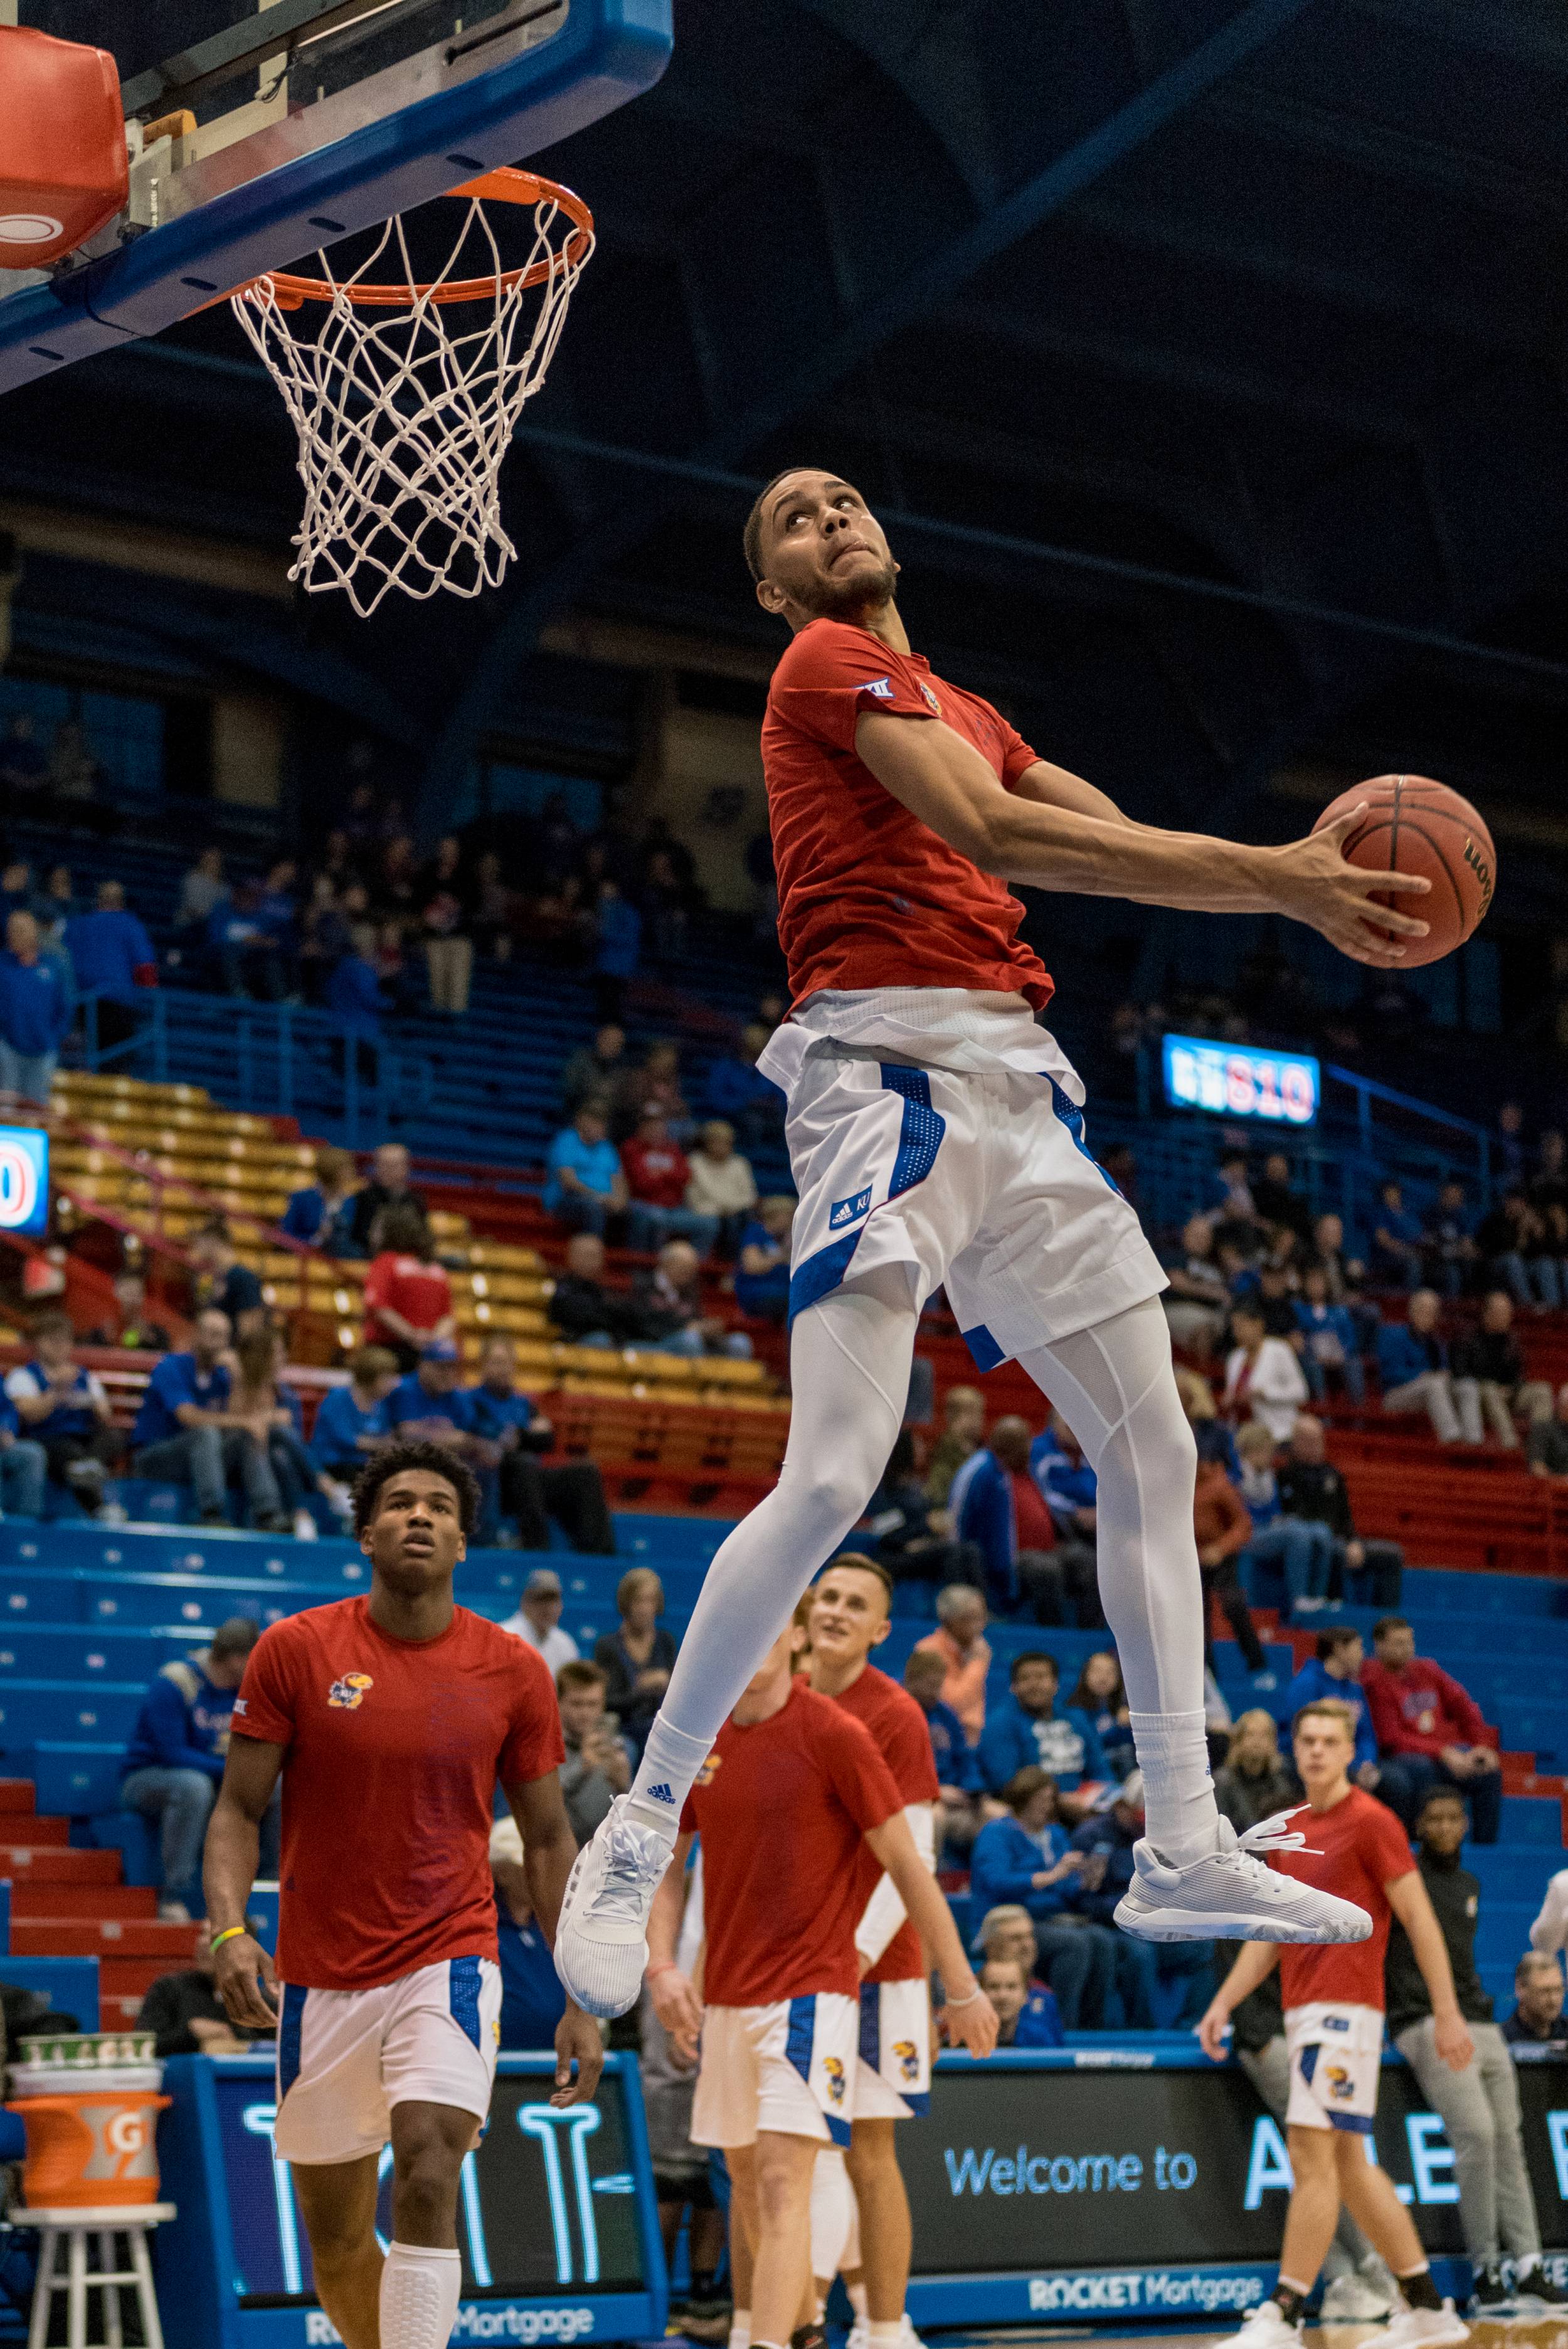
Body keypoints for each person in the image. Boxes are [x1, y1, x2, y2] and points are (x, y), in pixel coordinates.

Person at [553, 464, 1408, 2015]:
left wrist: (1289, 886)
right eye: (795, 518)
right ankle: (640, 1818)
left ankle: (1180, 1838)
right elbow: (1000, 832)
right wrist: (1280, 880)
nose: (831, 517)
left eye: (844, 500)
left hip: (1020, 1090)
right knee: (833, 1473)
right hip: (884, 1073)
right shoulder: (823, 664)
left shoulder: (972, 708)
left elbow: (1113, 832)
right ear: (773, 589)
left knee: (1156, 1451)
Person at [205, 1441, 602, 2349]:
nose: (418, 1514)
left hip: (449, 1957)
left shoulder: (513, 1669)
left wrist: (582, 1995)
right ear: (366, 1535)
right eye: (397, 1503)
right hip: (320, 1974)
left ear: (463, 1541)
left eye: (438, 1506)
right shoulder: (295, 1649)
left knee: (427, 2165)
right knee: (340, 2244)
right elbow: (235, 1810)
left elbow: (549, 1839)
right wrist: (229, 1929)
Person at [643, 1616, 995, 2349]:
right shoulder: (699, 1734)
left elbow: (908, 1864)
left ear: (796, 1638)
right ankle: (800, 2330)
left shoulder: (836, 1733)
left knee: (784, 2182)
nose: (751, 1637)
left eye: (769, 1624)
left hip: (812, 1992)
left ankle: (829, 2332)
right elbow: (668, 1866)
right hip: (725, 1996)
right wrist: (664, 1966)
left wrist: (960, 1985)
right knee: (746, 2184)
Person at [1200, 1699, 1474, 2349]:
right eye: (1308, 1740)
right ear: (1295, 1750)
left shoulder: (1372, 1821)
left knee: (1310, 2155)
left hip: (1345, 2012)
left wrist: (1447, 2011)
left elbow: (1420, 1919)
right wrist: (1223, 2002)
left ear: (1351, 1750)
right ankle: (1427, 2307)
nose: (1318, 1750)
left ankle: (1285, 2314)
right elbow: (1271, 1935)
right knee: (1348, 2165)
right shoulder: (1289, 1829)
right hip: (1303, 2012)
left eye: (1330, 1740)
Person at [800, 1557, 942, 2349]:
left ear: (880, 1629)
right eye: (827, 1596)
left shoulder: (894, 1714)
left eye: (855, 1604)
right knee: (805, 2152)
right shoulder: (780, 1696)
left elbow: (914, 1852)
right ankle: (822, 2322)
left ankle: (883, 2330)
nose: (835, 1611)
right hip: (792, 1962)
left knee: (865, 2151)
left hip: (874, 1969)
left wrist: (851, 1954)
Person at [1387, 1789, 1568, 2318]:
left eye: (1454, 1817)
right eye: (1434, 1818)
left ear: (1466, 1825)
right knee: (1478, 2134)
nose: (1445, 1827)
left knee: (1509, 2138)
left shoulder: (1470, 1884)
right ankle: (1486, 2270)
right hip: (1424, 2017)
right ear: (1418, 1826)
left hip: (1478, 2018)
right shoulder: (1403, 1880)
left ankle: (1529, 2265)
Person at [120, 1619, 262, 1922]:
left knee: (272, 1786)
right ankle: (174, 1894)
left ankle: (264, 1890)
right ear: (237, 1659)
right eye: (255, 1657)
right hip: (148, 1777)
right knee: (193, 1786)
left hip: (213, 1776)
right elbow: (171, 1753)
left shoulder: (246, 1689)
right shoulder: (175, 1682)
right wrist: (235, 1772)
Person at [968, 1768, 1114, 2027]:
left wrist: (1086, 1880)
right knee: (1074, 1944)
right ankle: (1062, 2023)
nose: (1046, 1806)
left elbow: (1065, 1888)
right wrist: (1049, 1877)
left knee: (1102, 1940)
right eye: (1040, 1799)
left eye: (1050, 1799)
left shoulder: (1055, 1835)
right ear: (1023, 1799)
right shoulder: (996, 1832)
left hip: (1052, 1918)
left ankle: (1092, 2026)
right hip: (1007, 1921)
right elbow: (996, 1882)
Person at [1069, 1771, 1214, 2028]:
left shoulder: (1162, 1837)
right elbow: (1083, 1900)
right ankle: (1143, 2031)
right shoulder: (1091, 1837)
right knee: (1140, 1955)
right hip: (1110, 1925)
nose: (1144, 1828)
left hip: (1153, 1922)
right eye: (1140, 1819)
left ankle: (1192, 2026)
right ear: (1122, 1807)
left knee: (1203, 1945)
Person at [130, 1307, 287, 1529]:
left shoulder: (223, 1375)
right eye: (213, 1335)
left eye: (224, 1337)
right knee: (205, 1433)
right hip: (157, 1457)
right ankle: (211, 1513)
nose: (219, 1344)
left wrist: (238, 1377)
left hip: (204, 1460)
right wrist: (246, 1422)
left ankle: (269, 1515)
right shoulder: (171, 1367)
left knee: (245, 1436)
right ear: (196, 1335)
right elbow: (188, 1417)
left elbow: (239, 1422)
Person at [462, 1330, 615, 1552]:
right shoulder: (468, 1400)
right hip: (494, 1483)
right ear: (483, 1365)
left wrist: (519, 1437)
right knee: (521, 1463)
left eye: (507, 1363)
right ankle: (537, 1547)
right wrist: (519, 1438)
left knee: (585, 1473)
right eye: (496, 1362)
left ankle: (600, 1552)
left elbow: (546, 1439)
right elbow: (479, 1437)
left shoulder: (523, 1404)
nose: (503, 1369)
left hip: (530, 1481)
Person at [1363, 1617, 1502, 1844]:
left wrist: (1481, 1746)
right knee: (1422, 1769)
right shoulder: (1374, 1679)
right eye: (1398, 1643)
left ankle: (1485, 1851)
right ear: (1379, 1646)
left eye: (1409, 1642)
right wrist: (1443, 1752)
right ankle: (1422, 1846)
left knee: (1486, 1772)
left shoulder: (1427, 1669)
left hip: (1441, 1754)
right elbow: (1391, 1738)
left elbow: (1464, 1707)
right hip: (1401, 1757)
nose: (1407, 1649)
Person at [950, 1414, 1097, 1624]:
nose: (1031, 1449)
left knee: (1087, 1561)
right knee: (1046, 1569)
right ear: (1010, 1447)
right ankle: (1052, 1633)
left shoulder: (1031, 1471)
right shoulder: (987, 1473)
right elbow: (962, 1523)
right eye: (1025, 1444)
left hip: (1048, 1548)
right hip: (1014, 1556)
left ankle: (1089, 1632)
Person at [4, 1310, 125, 1517]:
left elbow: (105, 1413)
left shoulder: (84, 1376)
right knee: (69, 1453)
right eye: (53, 1340)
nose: (59, 1346)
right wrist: (56, 1393)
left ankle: (88, 1467)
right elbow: (28, 1414)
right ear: (38, 1342)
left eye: (65, 1340)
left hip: (84, 1438)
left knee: (113, 1438)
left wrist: (90, 1402)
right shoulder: (24, 1375)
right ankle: (98, 1507)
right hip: (48, 1438)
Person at [1276, 1415, 1404, 1609]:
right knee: (1328, 1546)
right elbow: (1292, 1517)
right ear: (1295, 1442)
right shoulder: (1285, 1474)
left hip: (1340, 1539)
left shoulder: (1332, 1474)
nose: (1315, 1446)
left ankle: (1385, 1617)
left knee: (1391, 1554)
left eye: (1317, 1440)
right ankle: (1331, 1606)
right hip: (1314, 1540)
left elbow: (1345, 1515)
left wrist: (1353, 1541)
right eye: (1308, 1440)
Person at [978, 1650, 1110, 1810]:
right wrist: (1059, 1800)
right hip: (1027, 1809)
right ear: (1013, 1687)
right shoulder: (1000, 1723)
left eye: (1041, 1677)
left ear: (1056, 1684)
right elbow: (1005, 1783)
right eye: (1025, 1678)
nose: (1034, 1685)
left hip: (1083, 1803)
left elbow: (1100, 1772)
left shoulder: (1076, 1718)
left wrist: (1098, 1797)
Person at [1234, 1420, 1332, 1625]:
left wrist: (1280, 1521)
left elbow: (1275, 1511)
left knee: (1321, 1531)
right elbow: (1237, 1516)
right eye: (1267, 1452)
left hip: (1267, 1529)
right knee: (1297, 1533)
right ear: (1254, 1451)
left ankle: (1317, 1596)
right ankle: (1299, 1598)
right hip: (1246, 1534)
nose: (1271, 1457)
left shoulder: (1269, 1477)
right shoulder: (1235, 1475)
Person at [1193, 1439, 1269, 1670]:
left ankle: (1256, 1661)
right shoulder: (1177, 1483)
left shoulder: (1220, 1486)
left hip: (1219, 1558)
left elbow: (1243, 1524)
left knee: (1233, 1604)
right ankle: (1206, 1670)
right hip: (1192, 1558)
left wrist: (1221, 1548)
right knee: (1197, 1613)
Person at [902, 1646, 984, 1860]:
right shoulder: (893, 1711)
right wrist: (934, 1792)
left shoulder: (945, 1714)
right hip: (912, 1798)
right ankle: (927, 1880)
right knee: (933, 1820)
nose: (935, 1693)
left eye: (939, 1686)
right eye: (930, 1686)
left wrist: (972, 1790)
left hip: (952, 1796)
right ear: (910, 1680)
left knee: (999, 1819)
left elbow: (964, 1757)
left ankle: (988, 1879)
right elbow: (892, 1771)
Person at [137, 1919, 255, 2056]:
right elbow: (142, 2047)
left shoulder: (259, 2004)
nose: (203, 1942)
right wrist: (189, 2034)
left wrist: (235, 2038)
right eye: (202, 1934)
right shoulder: (168, 1989)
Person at [1451, 1289, 1551, 1448]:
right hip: (1482, 1394)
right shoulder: (1467, 1339)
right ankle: (1510, 1443)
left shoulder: (1512, 1341)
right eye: (1501, 1312)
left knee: (1543, 1390)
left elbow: (1519, 1374)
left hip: (1509, 1392)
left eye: (1508, 1312)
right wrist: (1490, 1384)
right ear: (1487, 1314)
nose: (1506, 1317)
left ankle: (1537, 1446)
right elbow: (1461, 1373)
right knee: (1491, 1390)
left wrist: (1512, 1388)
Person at [65, 879, 157, 1051]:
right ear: (121, 901)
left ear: (98, 900)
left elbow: (63, 963)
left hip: (82, 1003)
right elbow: (145, 968)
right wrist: (150, 997)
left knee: (85, 1056)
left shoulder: (77, 924)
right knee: (115, 1057)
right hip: (118, 1003)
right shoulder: (130, 924)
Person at [361, 1204, 455, 1371]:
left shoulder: (386, 1263)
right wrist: (432, 1339)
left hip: (387, 1356)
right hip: (427, 1356)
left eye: (376, 1228)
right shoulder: (436, 1269)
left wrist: (412, 1335)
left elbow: (378, 1306)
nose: (371, 1233)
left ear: (389, 1232)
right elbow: (448, 1318)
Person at [594, 1569, 677, 1756]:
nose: (645, 1608)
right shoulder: (608, 1645)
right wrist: (641, 1689)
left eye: (650, 1601)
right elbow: (607, 1702)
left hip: (659, 1729)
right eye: (638, 1601)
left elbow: (677, 1694)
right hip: (622, 1730)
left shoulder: (666, 1641)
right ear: (626, 1604)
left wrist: (667, 1683)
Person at [628, 1238, 751, 1360]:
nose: (689, 1274)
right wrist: (685, 1329)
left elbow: (696, 1320)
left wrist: (707, 1328)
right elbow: (640, 1325)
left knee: (740, 1342)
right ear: (667, 1264)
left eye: (692, 1269)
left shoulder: (689, 1289)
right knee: (690, 1340)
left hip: (690, 1341)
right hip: (654, 1343)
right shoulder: (643, 1286)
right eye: (685, 1268)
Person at [1286, 1629, 1379, 1786]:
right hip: (1318, 1759)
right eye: (1358, 1647)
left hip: (1353, 1761)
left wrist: (1367, 1762)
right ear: (1339, 1649)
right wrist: (1350, 1764)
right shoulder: (1306, 1684)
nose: (1362, 1654)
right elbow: (1301, 1734)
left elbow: (1366, 1735)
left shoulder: (1355, 1689)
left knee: (1392, 1780)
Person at [308, 1345, 400, 1502]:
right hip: (333, 1466)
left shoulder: (381, 1405)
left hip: (363, 1467)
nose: (394, 1383)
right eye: (388, 1378)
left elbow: (388, 1438)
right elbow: (347, 1440)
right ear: (371, 1376)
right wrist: (382, 1444)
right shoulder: (338, 1398)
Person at [556, 1660, 632, 1845]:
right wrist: (582, 1768)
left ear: (603, 1704)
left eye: (593, 1704)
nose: (585, 1713)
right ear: (558, 1702)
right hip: (560, 1847)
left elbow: (631, 1820)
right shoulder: (545, 1748)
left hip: (605, 1848)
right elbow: (543, 1807)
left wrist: (624, 1786)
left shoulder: (619, 1748)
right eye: (577, 1704)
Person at [622, 1109, 716, 1258]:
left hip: (674, 1208)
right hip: (642, 1205)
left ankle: (691, 1266)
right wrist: (670, 1176)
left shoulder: (672, 1148)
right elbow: (641, 1184)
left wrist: (660, 1174)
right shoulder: (631, 1148)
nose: (656, 1131)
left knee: (709, 1223)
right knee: (657, 1219)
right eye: (651, 1126)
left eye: (659, 1126)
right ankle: (647, 1266)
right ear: (641, 1129)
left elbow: (686, 1177)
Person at [1376, 1290, 1465, 1445]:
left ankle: (1472, 1440)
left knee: (1466, 1386)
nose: (1428, 1315)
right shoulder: (1393, 1334)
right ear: (1412, 1311)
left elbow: (1442, 1369)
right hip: (1396, 1394)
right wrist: (1422, 1375)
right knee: (1434, 1383)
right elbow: (1390, 1374)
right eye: (1423, 1310)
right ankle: (1452, 1439)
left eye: (1432, 1312)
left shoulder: (1435, 1342)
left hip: (1428, 1393)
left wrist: (1445, 1374)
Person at [0, 908, 68, 1103]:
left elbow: (64, 1007)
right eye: (11, 930)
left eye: (20, 930)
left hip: (44, 1050)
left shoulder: (53, 966)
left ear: (33, 932)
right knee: (7, 1108)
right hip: (8, 1049)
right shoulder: (2, 965)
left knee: (37, 1108)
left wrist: (54, 1038)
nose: (13, 934)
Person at [913, 1582, 992, 1741]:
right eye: (970, 1618)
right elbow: (951, 1704)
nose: (980, 1625)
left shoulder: (973, 1647)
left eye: (982, 1617)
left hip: (973, 1737)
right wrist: (977, 1663)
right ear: (949, 1620)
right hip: (943, 1737)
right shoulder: (928, 1650)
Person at [1222, 1302, 1308, 1445]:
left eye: (1242, 1327)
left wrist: (1265, 1393)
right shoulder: (1235, 1358)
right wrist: (1230, 1399)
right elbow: (1231, 1392)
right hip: (1243, 1434)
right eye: (1235, 1328)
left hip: (1277, 1433)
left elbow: (1301, 1392)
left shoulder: (1279, 1350)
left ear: (1258, 1325)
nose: (1237, 1333)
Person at [544, 1102, 628, 1237]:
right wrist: (600, 1198)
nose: (597, 1126)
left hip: (605, 1201)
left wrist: (620, 1202)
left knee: (636, 1215)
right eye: (593, 1120)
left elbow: (619, 1182)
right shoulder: (566, 1141)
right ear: (580, 1120)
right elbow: (569, 1182)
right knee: (593, 1209)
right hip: (567, 1200)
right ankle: (591, 1248)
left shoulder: (608, 1148)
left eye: (601, 1123)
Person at [1213, 1710, 1301, 1834]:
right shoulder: (1223, 1781)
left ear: (1273, 1742)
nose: (1257, 1742)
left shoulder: (1282, 1777)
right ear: (1238, 1741)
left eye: (1264, 1736)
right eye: (1250, 1735)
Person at [685, 1120, 759, 1258]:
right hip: (705, 1213)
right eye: (717, 1142)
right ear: (707, 1143)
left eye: (726, 1143)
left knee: (741, 1221)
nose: (722, 1147)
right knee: (726, 1223)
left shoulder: (740, 1164)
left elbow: (750, 1197)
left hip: (735, 1213)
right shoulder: (695, 1162)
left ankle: (734, 1263)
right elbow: (693, 1199)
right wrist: (724, 1209)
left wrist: (728, 1208)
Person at [1159, 1214, 1230, 1357]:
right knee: (1204, 1327)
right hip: (1177, 1308)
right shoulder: (1174, 1256)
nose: (1200, 1241)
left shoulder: (1216, 1263)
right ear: (1185, 1233)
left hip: (1213, 1312)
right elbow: (1177, 1282)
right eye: (1196, 1235)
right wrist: (1211, 1292)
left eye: (1205, 1237)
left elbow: (1226, 1293)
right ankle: (1202, 1370)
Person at [1294, 1263, 1365, 1405]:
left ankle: (1358, 1408)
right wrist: (1315, 1353)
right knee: (1313, 1365)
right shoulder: (1298, 1309)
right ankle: (1323, 1408)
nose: (1316, 1286)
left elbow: (1350, 1338)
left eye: (1319, 1282)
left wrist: (1341, 1354)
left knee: (1354, 1362)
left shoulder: (1340, 1311)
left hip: (1338, 1355)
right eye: (1312, 1282)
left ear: (1326, 1285)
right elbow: (1299, 1336)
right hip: (1312, 1355)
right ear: (1305, 1286)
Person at [189, 1219, 268, 1342]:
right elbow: (204, 1310)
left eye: (199, 1242)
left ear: (212, 1241)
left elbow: (250, 1326)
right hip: (215, 1345)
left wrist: (241, 1350)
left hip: (233, 1349)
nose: (196, 1248)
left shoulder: (242, 1277)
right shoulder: (209, 1277)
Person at [548, 1231, 629, 1347]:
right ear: (572, 1257)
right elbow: (579, 1318)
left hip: (602, 1337)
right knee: (600, 1340)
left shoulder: (599, 1290)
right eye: (590, 1255)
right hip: (572, 1344)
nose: (596, 1261)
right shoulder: (563, 1289)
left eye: (599, 1255)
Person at [347, 1141, 428, 1257]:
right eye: (382, 1165)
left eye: (393, 1166)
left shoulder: (416, 1200)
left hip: (407, 1259)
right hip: (368, 1258)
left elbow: (422, 1236)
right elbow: (356, 1236)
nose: (386, 1170)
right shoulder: (364, 1197)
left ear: (406, 1168)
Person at [282, 1145, 363, 1256]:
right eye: (346, 1169)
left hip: (341, 1257)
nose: (352, 1172)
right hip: (305, 1256)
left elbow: (354, 1236)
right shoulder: (302, 1198)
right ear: (331, 1171)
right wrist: (317, 1238)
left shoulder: (351, 1201)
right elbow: (287, 1236)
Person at [1067, 1651, 1136, 1783]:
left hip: (1125, 1773)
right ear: (1085, 1675)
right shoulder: (1075, 1712)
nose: (1103, 1678)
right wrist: (1116, 1724)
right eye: (1097, 1671)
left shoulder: (1124, 1709)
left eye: (1110, 1673)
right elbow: (1087, 1747)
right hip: (1091, 1774)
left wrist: (1131, 1723)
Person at [500, 1568, 580, 1673]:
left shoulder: (564, 1642)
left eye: (553, 1600)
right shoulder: (503, 1637)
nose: (547, 1607)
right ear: (525, 1602)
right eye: (540, 1599)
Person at [980, 1953, 1064, 2047]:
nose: (1003, 1996)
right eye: (993, 1987)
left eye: (1011, 1987)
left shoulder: (1040, 2039)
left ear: (1026, 1995)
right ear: (980, 1994)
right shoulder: (967, 2040)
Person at [731, 1196, 794, 1323]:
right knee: (791, 1304)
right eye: (789, 1215)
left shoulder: (790, 1237)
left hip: (784, 1290)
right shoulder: (756, 1232)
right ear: (775, 1214)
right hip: (758, 1293)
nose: (792, 1219)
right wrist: (782, 1256)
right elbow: (752, 1266)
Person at [923, 1384, 985, 1508]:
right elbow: (936, 1494)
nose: (981, 1419)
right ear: (962, 1416)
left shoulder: (980, 1449)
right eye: (977, 1413)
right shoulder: (946, 1453)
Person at [85, 1266, 171, 1352]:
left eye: (136, 1294)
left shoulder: (158, 1335)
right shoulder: (99, 1334)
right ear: (114, 1296)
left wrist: (149, 1341)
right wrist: (106, 1341)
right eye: (128, 1293)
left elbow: (164, 1357)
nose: (132, 1300)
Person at [1422, 1180, 1478, 1302]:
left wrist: (1466, 1249)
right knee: (1453, 1273)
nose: (1455, 1199)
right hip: (1436, 1262)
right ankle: (1452, 1305)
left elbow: (1467, 1241)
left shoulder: (1463, 1216)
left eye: (1458, 1196)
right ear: (1443, 1195)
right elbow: (1428, 1242)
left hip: (1458, 1259)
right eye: (1451, 1195)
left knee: (1474, 1265)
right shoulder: (1431, 1214)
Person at [1502, 1953, 1567, 2051]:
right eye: (1544, 1991)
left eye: (1558, 1990)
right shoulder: (1502, 2040)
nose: (1553, 2000)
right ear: (1520, 1989)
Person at [559, 1023, 628, 1116]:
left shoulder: (622, 1070)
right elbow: (569, 1089)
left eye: (617, 1044)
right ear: (599, 1038)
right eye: (608, 1040)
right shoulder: (580, 1060)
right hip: (579, 1112)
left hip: (608, 1117)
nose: (611, 1046)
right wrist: (595, 1090)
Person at [1370, 1180, 1426, 1291]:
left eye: (1395, 1192)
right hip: (1389, 1256)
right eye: (1389, 1193)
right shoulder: (1381, 1213)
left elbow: (1422, 1234)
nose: (1393, 1196)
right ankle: (1411, 1297)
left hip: (1417, 1251)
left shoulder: (1410, 1213)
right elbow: (1383, 1240)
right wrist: (1406, 1249)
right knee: (1413, 1262)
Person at [1526, 1380, 1568, 1478]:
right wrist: (1561, 1481)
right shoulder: (1543, 1429)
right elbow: (1537, 1467)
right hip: (1556, 1484)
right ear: (1562, 1407)